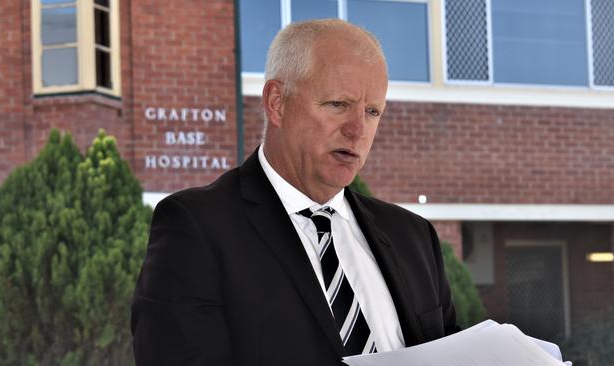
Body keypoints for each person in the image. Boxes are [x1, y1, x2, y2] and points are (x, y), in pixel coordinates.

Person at [131, 19, 458, 366]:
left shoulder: (414, 236)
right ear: (277, 102)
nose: (357, 129)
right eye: (337, 104)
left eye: (372, 111)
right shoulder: (196, 228)